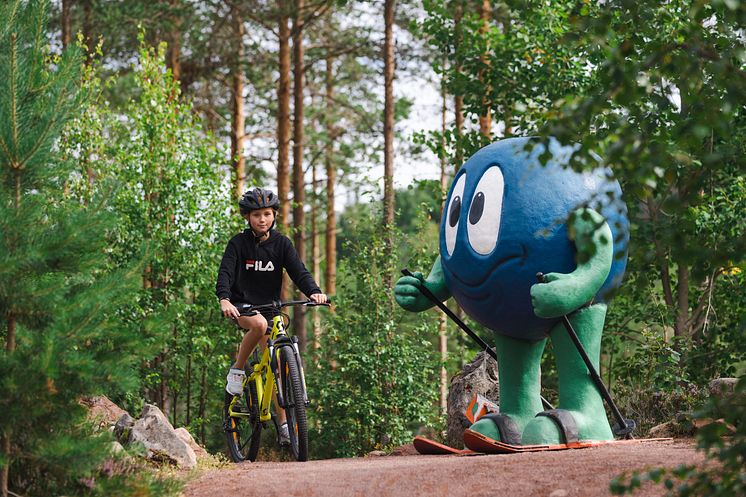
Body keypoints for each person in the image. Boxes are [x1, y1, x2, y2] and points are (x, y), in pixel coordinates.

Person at [216, 187, 328, 445]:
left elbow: (299, 272)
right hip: (242, 306)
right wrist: (224, 299)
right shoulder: (238, 244)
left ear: (274, 215)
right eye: (256, 214)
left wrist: (314, 292)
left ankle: (287, 424)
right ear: (248, 217)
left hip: (271, 307)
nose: (262, 219)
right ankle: (236, 372)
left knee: (280, 364)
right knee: (258, 324)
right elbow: (225, 274)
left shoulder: (281, 244)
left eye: (267, 214)